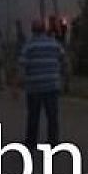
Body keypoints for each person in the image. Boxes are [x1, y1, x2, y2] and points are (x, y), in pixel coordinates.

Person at [18, 18, 66, 147]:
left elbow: (22, 65)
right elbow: (63, 59)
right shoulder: (54, 44)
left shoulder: (29, 45)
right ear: (45, 30)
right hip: (52, 85)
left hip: (34, 87)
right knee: (52, 115)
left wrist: (18, 85)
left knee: (33, 115)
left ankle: (31, 141)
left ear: (33, 31)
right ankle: (53, 141)